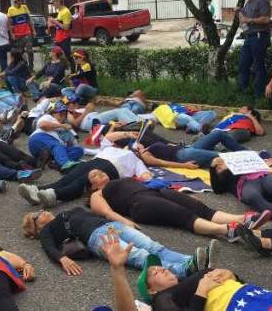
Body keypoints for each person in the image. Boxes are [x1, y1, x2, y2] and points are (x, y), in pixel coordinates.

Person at [100, 232, 272, 311]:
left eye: (161, 266)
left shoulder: (190, 280)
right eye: (155, 273)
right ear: (150, 290)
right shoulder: (162, 300)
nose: (162, 269)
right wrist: (201, 290)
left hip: (260, 296)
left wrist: (231, 273)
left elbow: (237, 281)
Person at [22, 207, 218, 278]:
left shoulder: (66, 212)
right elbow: (48, 247)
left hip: (111, 226)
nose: (44, 212)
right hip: (96, 238)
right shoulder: (47, 231)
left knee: (153, 246)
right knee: (140, 256)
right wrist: (62, 258)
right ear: (36, 226)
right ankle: (185, 271)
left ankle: (194, 261)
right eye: (38, 215)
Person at [88, 173, 268, 240]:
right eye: (94, 175)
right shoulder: (97, 194)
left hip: (155, 193)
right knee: (184, 216)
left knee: (199, 207)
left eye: (100, 171)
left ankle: (244, 219)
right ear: (93, 186)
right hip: (140, 204)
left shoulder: (122, 178)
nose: (100, 173)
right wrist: (123, 222)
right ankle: (227, 230)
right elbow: (105, 211)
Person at [18, 130, 153, 208]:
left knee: (80, 182)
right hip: (94, 162)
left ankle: (54, 195)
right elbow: (108, 137)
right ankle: (36, 192)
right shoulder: (111, 147)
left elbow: (146, 176)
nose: (136, 146)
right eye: (135, 145)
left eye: (139, 147)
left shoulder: (136, 160)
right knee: (67, 179)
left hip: (111, 169)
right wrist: (128, 134)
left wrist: (147, 158)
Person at [137, 130, 248, 169]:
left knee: (218, 134)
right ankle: (251, 159)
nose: (138, 145)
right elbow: (163, 163)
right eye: (136, 147)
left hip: (188, 148)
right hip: (184, 156)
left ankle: (244, 152)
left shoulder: (148, 147)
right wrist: (185, 166)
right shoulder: (145, 156)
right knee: (219, 156)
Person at [237, 0, 271, 97]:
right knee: (243, 64)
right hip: (249, 36)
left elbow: (266, 19)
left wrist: (249, 19)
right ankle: (243, 93)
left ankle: (259, 95)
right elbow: (244, 21)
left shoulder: (262, 0)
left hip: (259, 36)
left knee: (258, 66)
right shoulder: (249, 2)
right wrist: (240, 13)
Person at [27, 101, 83, 172]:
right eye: (60, 114)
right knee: (56, 145)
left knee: (79, 150)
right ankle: (65, 163)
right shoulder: (49, 117)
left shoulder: (63, 129)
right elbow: (42, 125)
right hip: (38, 138)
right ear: (53, 113)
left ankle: (53, 162)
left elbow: (74, 143)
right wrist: (62, 125)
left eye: (64, 115)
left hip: (51, 150)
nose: (62, 117)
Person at [7, 0, 35, 71]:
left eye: (21, 0)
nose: (21, 2)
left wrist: (33, 30)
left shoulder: (24, 7)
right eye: (20, 0)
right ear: (16, 1)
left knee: (30, 51)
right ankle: (22, 67)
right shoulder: (10, 10)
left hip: (27, 33)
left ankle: (31, 67)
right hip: (18, 35)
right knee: (20, 52)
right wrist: (12, 34)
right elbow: (8, 23)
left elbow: (29, 19)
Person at [152, 103, 217, 134]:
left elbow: (184, 107)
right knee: (189, 119)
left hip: (190, 113)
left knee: (212, 113)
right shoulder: (156, 111)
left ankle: (193, 127)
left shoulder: (171, 104)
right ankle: (200, 129)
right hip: (176, 116)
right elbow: (152, 119)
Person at [48, 0, 73, 70]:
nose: (53, 4)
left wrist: (55, 21)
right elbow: (60, 24)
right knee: (55, 55)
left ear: (59, 2)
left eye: (54, 3)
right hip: (59, 38)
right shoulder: (60, 11)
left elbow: (66, 27)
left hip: (64, 38)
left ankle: (73, 72)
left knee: (68, 56)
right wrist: (53, 22)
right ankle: (61, 70)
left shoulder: (66, 12)